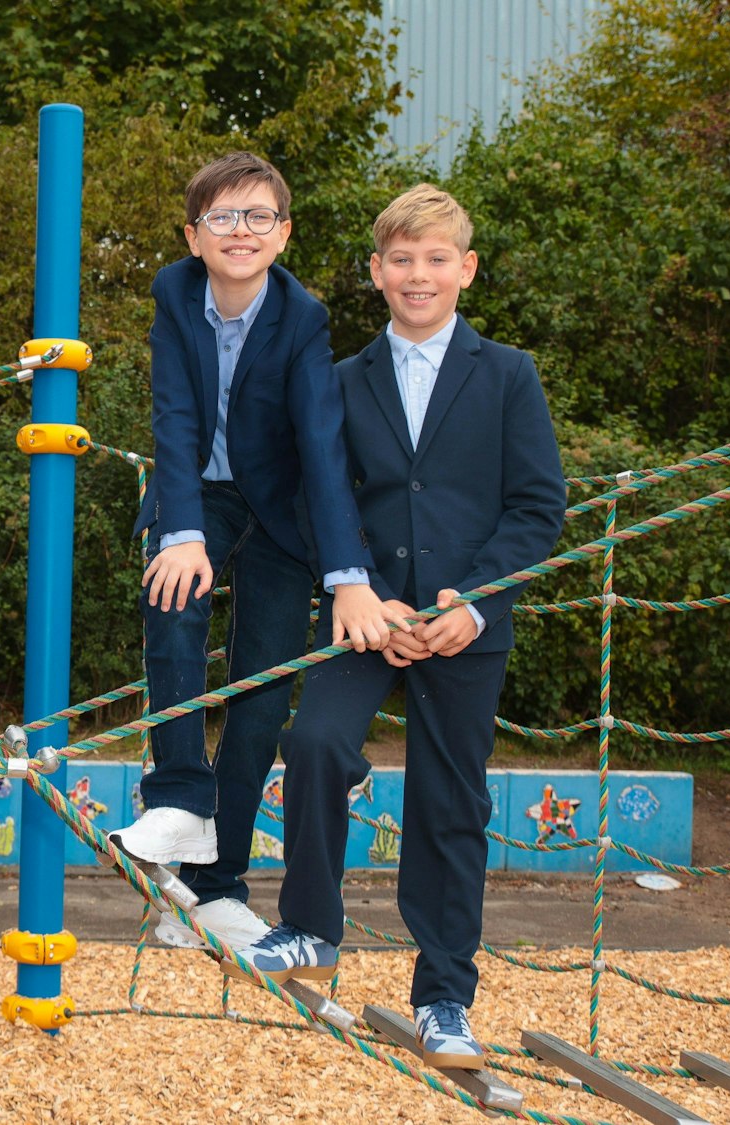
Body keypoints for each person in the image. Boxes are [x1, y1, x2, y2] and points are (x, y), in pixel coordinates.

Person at [235, 184, 566, 1070]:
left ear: (465, 269)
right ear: (376, 273)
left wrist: (475, 599)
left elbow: (538, 507)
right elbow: (322, 496)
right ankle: (310, 926)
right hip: (365, 613)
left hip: (465, 625)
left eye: (436, 259)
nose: (419, 275)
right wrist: (365, 595)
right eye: (401, 260)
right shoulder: (340, 382)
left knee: (450, 800)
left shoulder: (509, 375)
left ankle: (445, 994)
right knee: (314, 744)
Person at [108, 152, 388, 955]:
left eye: (258, 215)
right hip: (200, 487)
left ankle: (217, 882)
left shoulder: (303, 317)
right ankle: (178, 799)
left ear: (283, 232)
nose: (241, 230)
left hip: (286, 506)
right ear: (193, 235)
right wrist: (181, 528)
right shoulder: (173, 292)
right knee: (170, 594)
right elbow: (173, 416)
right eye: (222, 217)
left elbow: (323, 444)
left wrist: (347, 576)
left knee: (261, 688)